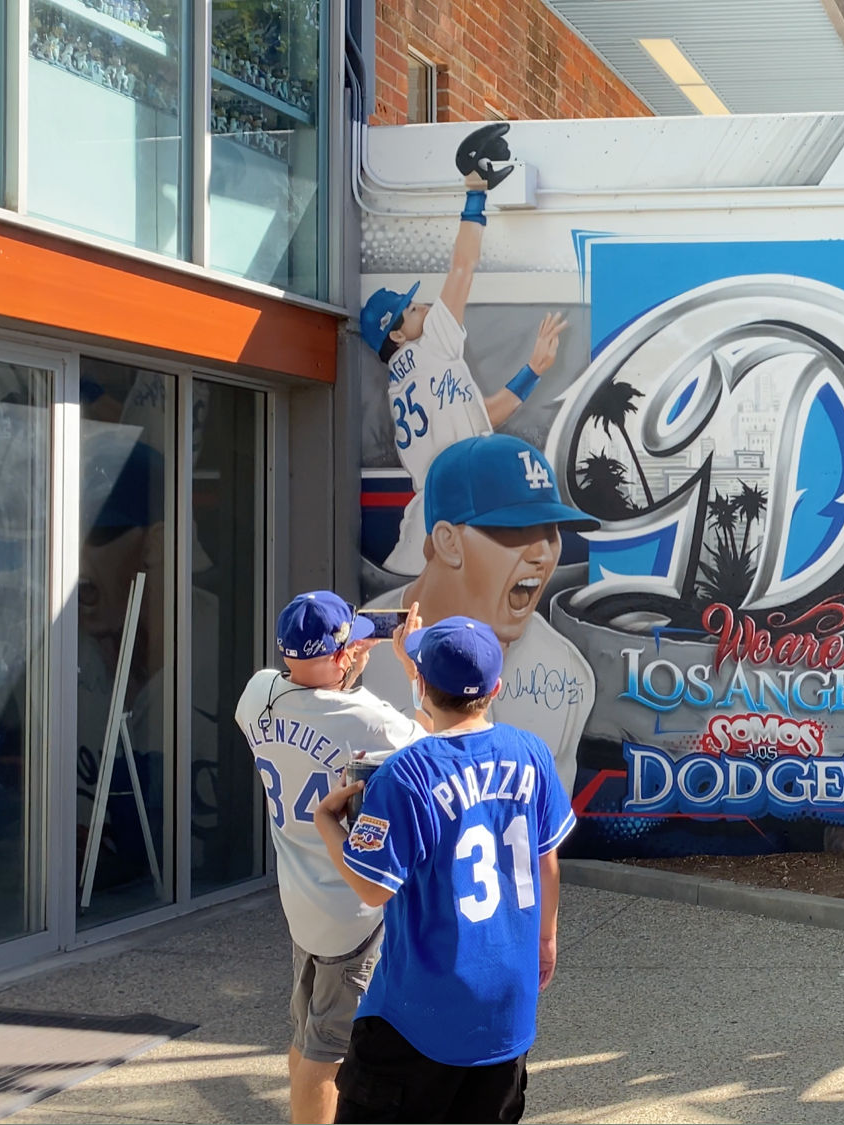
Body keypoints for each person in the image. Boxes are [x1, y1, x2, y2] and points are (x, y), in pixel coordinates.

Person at [313, 614, 575, 1124]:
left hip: (416, 1017)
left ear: (421, 683)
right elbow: (548, 862)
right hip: (505, 1008)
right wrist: (545, 938)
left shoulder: (404, 774)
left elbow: (370, 887)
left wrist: (328, 823)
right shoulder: (533, 754)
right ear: (496, 687)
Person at [234, 592, 425, 1124]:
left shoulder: (256, 695)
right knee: (330, 1051)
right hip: (351, 908)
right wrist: (410, 667)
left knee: (308, 1034)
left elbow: (308, 699)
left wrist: (343, 667)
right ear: (343, 655)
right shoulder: (369, 717)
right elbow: (437, 747)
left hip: (300, 903)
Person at [359, 122, 569, 576]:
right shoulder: (428, 346)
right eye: (410, 310)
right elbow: (462, 268)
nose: (422, 308)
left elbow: (479, 418)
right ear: (396, 335)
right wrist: (475, 191)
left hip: (432, 517)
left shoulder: (408, 378)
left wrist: (533, 369)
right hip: (444, 516)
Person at [358, 434, 598, 792]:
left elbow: (543, 834)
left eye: (550, 532)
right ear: (448, 542)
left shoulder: (566, 672)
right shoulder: (359, 650)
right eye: (516, 531)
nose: (542, 554)